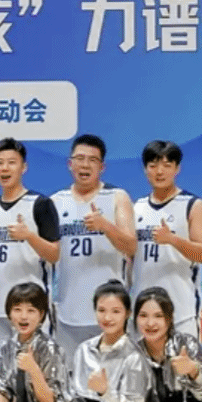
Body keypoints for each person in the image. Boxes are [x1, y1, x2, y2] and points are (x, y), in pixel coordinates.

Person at [51, 134, 136, 359]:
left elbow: (131, 247)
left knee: (111, 376)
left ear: (102, 167)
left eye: (92, 160)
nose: (85, 165)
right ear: (70, 164)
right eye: (79, 159)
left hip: (110, 312)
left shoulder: (117, 197)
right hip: (67, 313)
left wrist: (105, 226)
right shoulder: (55, 202)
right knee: (71, 377)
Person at [0, 138, 60, 371]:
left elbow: (55, 254)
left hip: (30, 308)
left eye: (11, 162)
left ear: (23, 167)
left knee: (33, 372)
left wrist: (29, 236)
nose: (5, 168)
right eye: (0, 163)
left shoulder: (40, 204)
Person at [131, 140, 202, 339]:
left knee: (183, 360)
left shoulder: (193, 205)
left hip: (181, 310)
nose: (159, 172)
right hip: (143, 312)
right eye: (153, 166)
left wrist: (172, 240)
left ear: (177, 168)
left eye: (167, 165)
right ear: (145, 169)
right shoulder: (137, 207)